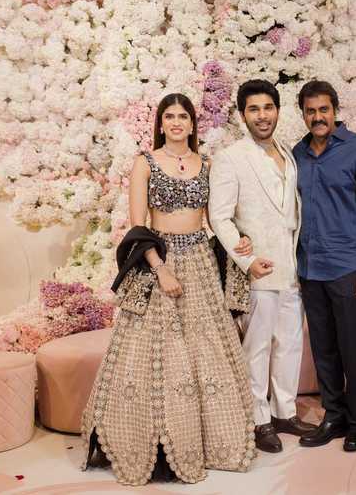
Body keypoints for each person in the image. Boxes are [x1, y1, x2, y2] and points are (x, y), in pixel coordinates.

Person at [81, 93, 256, 485]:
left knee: (206, 348)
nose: (177, 122)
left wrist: (239, 239)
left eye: (183, 116)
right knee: (159, 349)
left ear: (193, 124)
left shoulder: (207, 164)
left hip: (200, 261)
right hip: (159, 259)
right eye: (170, 116)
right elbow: (138, 227)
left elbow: (218, 218)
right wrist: (160, 269)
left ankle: (209, 442)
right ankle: (157, 442)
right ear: (161, 123)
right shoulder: (145, 163)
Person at [209, 79, 316, 454]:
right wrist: (247, 260)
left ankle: (285, 411)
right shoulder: (231, 157)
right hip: (259, 267)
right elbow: (219, 216)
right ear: (243, 115)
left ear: (277, 111)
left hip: (292, 265)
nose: (262, 115)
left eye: (268, 107)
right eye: (253, 109)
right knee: (257, 346)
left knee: (290, 343)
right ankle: (258, 419)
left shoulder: (287, 152)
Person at [293, 80, 356, 452]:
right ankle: (334, 416)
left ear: (335, 111)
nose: (318, 117)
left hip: (348, 267)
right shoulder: (296, 154)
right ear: (303, 114)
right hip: (309, 267)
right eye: (310, 111)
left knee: (352, 349)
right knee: (323, 349)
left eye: (323, 109)